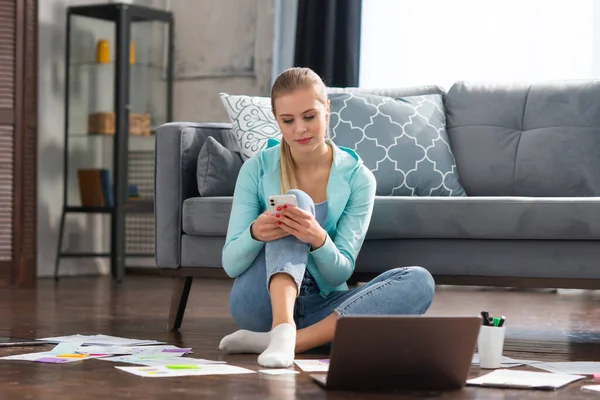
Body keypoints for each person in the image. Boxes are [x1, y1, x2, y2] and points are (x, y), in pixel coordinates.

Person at [219, 67, 435, 368]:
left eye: (309, 116)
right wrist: (255, 232)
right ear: (277, 121)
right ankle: (281, 328)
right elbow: (230, 264)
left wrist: (317, 238)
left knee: (419, 282)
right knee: (297, 201)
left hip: (324, 308)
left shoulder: (358, 178)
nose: (300, 130)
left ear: (326, 110)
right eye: (288, 120)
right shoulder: (256, 169)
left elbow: (339, 274)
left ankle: (290, 341)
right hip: (260, 306)